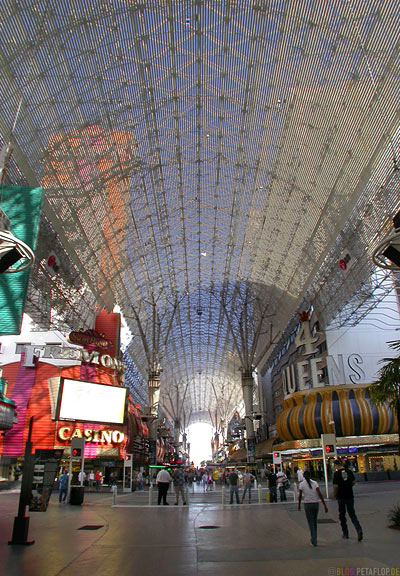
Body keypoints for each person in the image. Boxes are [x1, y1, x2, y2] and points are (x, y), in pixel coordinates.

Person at [333, 459, 363, 541]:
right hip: (350, 495)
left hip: (341, 497)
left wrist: (335, 494)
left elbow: (335, 486)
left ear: (336, 465)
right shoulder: (349, 471)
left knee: (342, 515)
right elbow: (353, 482)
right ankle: (358, 529)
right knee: (352, 514)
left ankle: (345, 533)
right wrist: (348, 486)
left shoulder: (336, 474)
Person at [298, 470, 328, 546]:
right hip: (315, 503)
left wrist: (299, 505)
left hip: (307, 504)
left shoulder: (301, 484)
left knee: (310, 522)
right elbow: (319, 494)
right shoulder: (315, 483)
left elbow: (300, 496)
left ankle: (313, 539)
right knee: (314, 521)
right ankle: (314, 537)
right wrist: (324, 505)